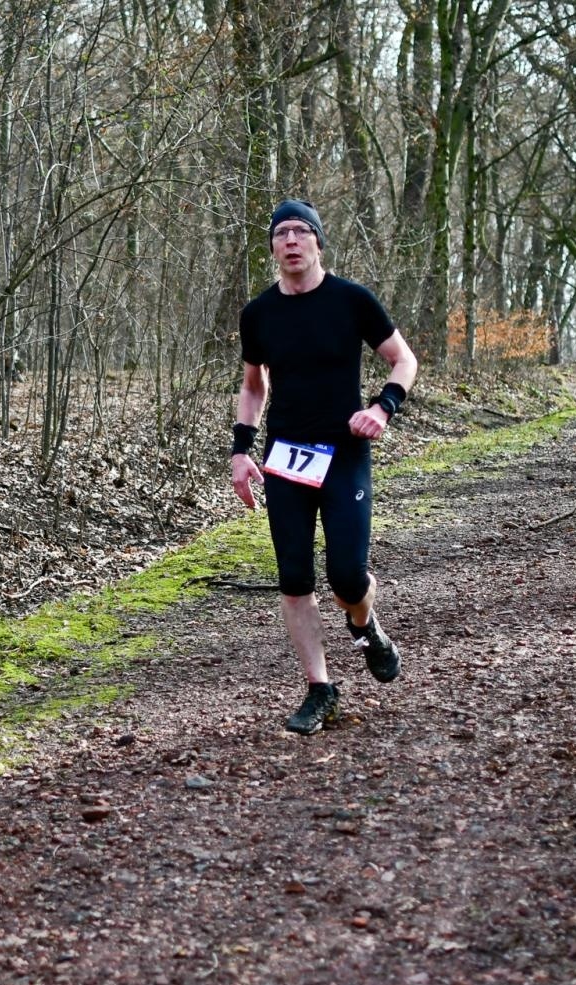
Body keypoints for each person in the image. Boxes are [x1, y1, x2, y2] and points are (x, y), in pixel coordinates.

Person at [229, 200, 420, 736]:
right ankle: (320, 688)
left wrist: (382, 407)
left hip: (343, 454)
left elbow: (403, 360)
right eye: (281, 233)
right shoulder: (258, 314)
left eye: (301, 231)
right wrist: (241, 451)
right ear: (272, 247)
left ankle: (366, 625)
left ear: (317, 241)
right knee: (294, 578)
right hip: (285, 458)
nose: (291, 241)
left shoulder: (352, 300)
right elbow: (253, 386)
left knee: (347, 577)